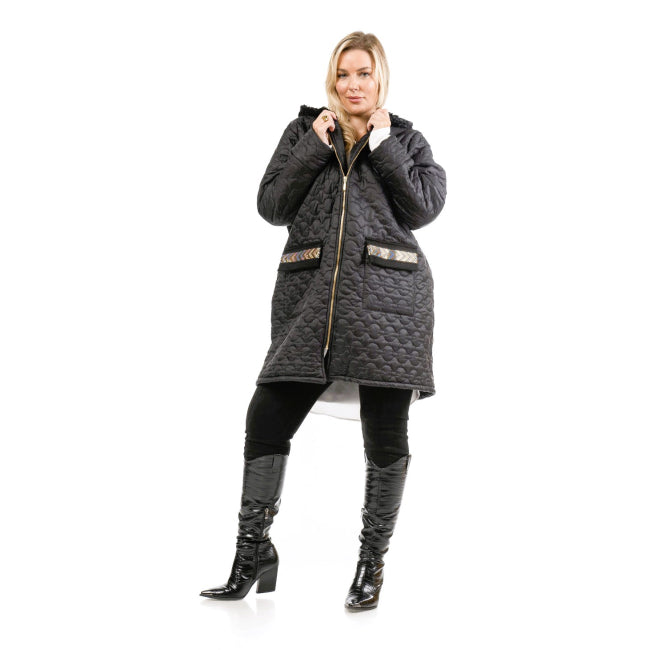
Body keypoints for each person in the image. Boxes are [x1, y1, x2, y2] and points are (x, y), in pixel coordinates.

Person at [200, 31, 447, 610]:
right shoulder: (304, 132)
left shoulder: (406, 139)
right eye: (343, 74)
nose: (353, 84)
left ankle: (370, 568)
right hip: (309, 301)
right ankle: (251, 554)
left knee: (385, 433)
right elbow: (272, 206)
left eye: (364, 73)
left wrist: (382, 143)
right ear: (331, 79)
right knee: (266, 417)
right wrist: (314, 144)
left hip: (390, 304)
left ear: (380, 78)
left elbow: (425, 207)